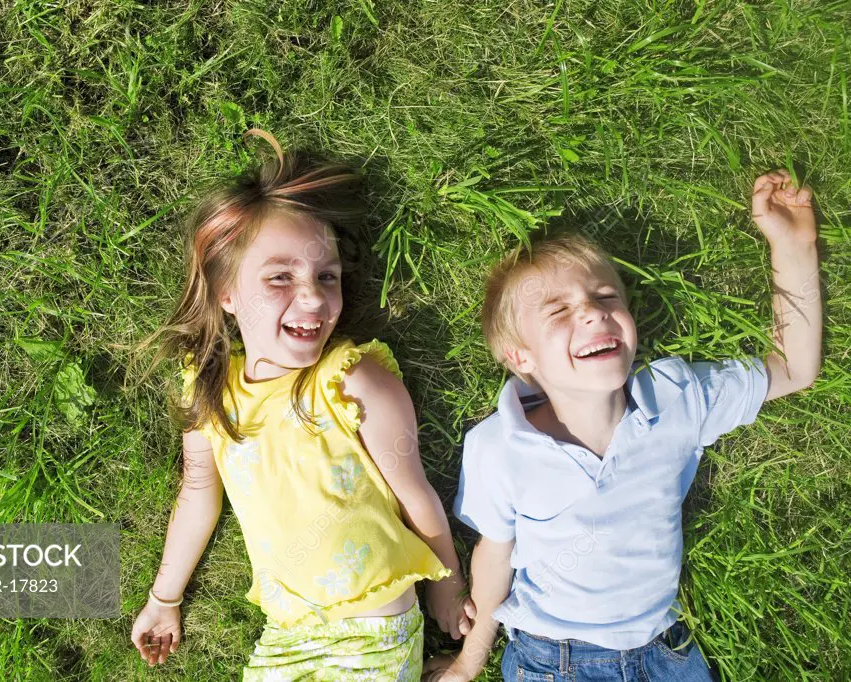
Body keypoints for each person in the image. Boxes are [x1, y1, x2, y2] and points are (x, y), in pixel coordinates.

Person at [424, 169, 821, 681]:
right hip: (555, 659)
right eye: (558, 310)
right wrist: (468, 662)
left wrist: (792, 250)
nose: (592, 313)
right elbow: (495, 558)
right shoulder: (499, 447)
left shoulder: (677, 398)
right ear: (519, 356)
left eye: (607, 297)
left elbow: (793, 369)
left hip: (666, 653)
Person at [129, 129, 476, 680]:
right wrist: (165, 596)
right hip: (285, 632)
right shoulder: (209, 390)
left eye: (327, 277)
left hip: (372, 628)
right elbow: (199, 491)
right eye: (280, 278)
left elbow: (415, 492)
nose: (314, 297)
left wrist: (447, 583)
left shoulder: (352, 381)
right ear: (225, 293)